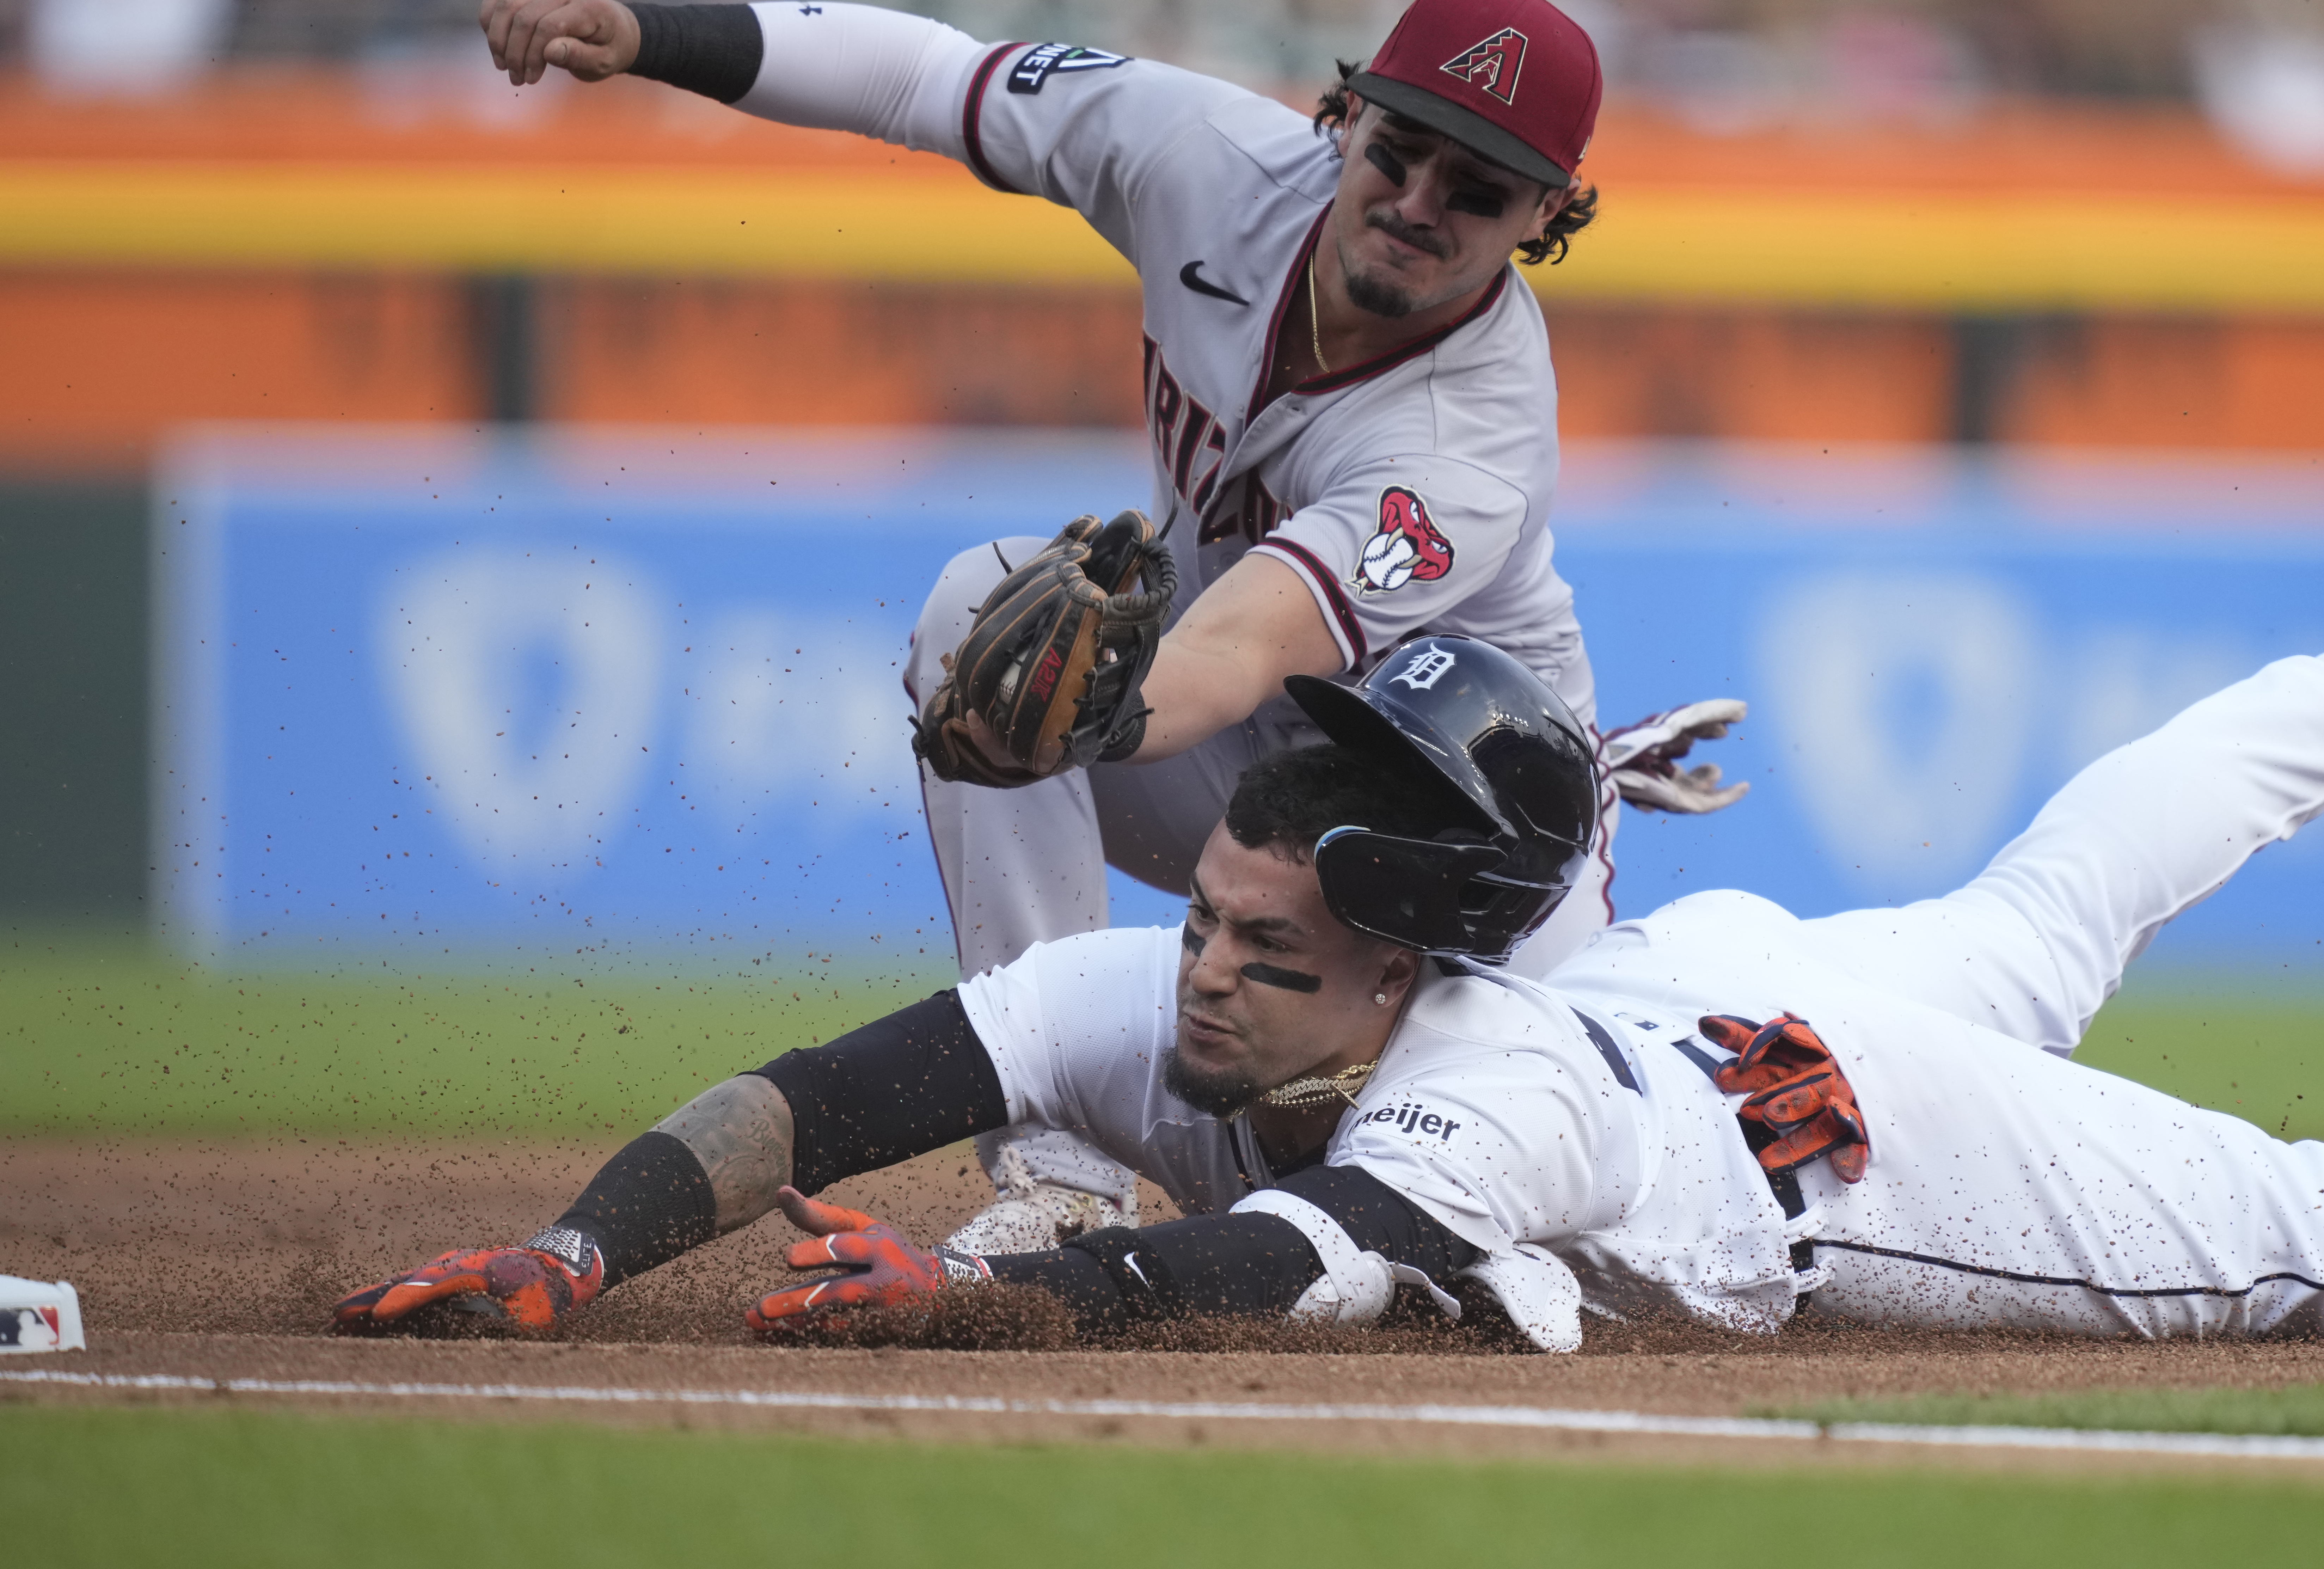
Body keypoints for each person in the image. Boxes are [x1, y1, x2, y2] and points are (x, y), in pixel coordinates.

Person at [470, 0, 1750, 1251]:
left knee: (1556, 1238)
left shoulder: (1470, 434)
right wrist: (649, 30)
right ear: (1346, 115)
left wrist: (1096, 714)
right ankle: (1059, 1175)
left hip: (1476, 854)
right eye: (1399, 150)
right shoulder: (1203, 159)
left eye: (1476, 189)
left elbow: (1244, 644)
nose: (1419, 203)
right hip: (1260, 775)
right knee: (984, 611)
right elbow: (927, 78)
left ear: (1549, 214)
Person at [337, 637, 2324, 1348]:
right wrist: (578, 1246)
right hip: (1705, 982)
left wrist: (977, 1297)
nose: (1202, 975)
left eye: (1265, 953)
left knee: (2310, 1237)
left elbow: (1271, 1267)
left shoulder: (1489, 1091)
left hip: (1839, 1144)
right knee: (2039, 910)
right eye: (1208, 919)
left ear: (1398, 978)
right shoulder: (1201, 979)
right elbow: (829, 1090)